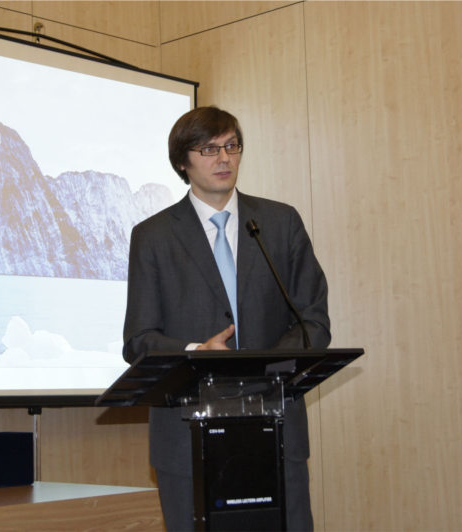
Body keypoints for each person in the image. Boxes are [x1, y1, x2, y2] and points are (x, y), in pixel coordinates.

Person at [123, 106, 331, 531]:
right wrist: (196, 352)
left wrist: (261, 365)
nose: (223, 158)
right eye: (209, 149)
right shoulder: (153, 236)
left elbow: (313, 320)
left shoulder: (279, 222)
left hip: (276, 427)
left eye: (231, 146)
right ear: (183, 161)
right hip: (187, 436)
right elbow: (139, 339)